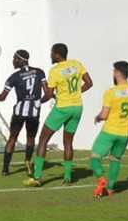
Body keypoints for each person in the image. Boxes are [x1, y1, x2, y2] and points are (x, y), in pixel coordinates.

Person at [25, 43, 93, 186]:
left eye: (51, 53)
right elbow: (89, 83)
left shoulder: (55, 71)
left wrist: (38, 101)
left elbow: (49, 95)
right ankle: (67, 178)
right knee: (68, 142)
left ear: (57, 54)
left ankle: (37, 177)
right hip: (77, 108)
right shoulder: (76, 64)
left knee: (43, 139)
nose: (50, 55)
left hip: (62, 108)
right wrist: (74, 93)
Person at [91, 61, 128, 198]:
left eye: (113, 71)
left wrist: (98, 117)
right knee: (115, 159)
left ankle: (101, 178)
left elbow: (104, 115)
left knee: (95, 157)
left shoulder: (111, 92)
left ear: (117, 73)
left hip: (110, 131)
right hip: (125, 133)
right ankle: (110, 189)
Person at [0, 50, 48, 176]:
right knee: (30, 138)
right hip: (34, 113)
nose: (13, 61)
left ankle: (5, 169)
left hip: (19, 112)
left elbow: (3, 96)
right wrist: (38, 102)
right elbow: (48, 93)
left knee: (12, 138)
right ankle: (27, 164)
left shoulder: (14, 77)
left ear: (21, 60)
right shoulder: (39, 72)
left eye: (15, 59)